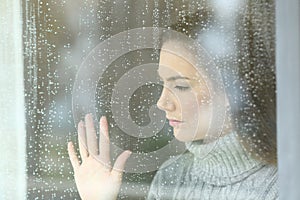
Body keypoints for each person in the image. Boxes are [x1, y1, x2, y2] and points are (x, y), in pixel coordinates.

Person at [68, 2, 278, 199]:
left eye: (181, 86)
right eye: (163, 84)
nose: (162, 103)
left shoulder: (283, 183)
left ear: (231, 91)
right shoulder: (172, 176)